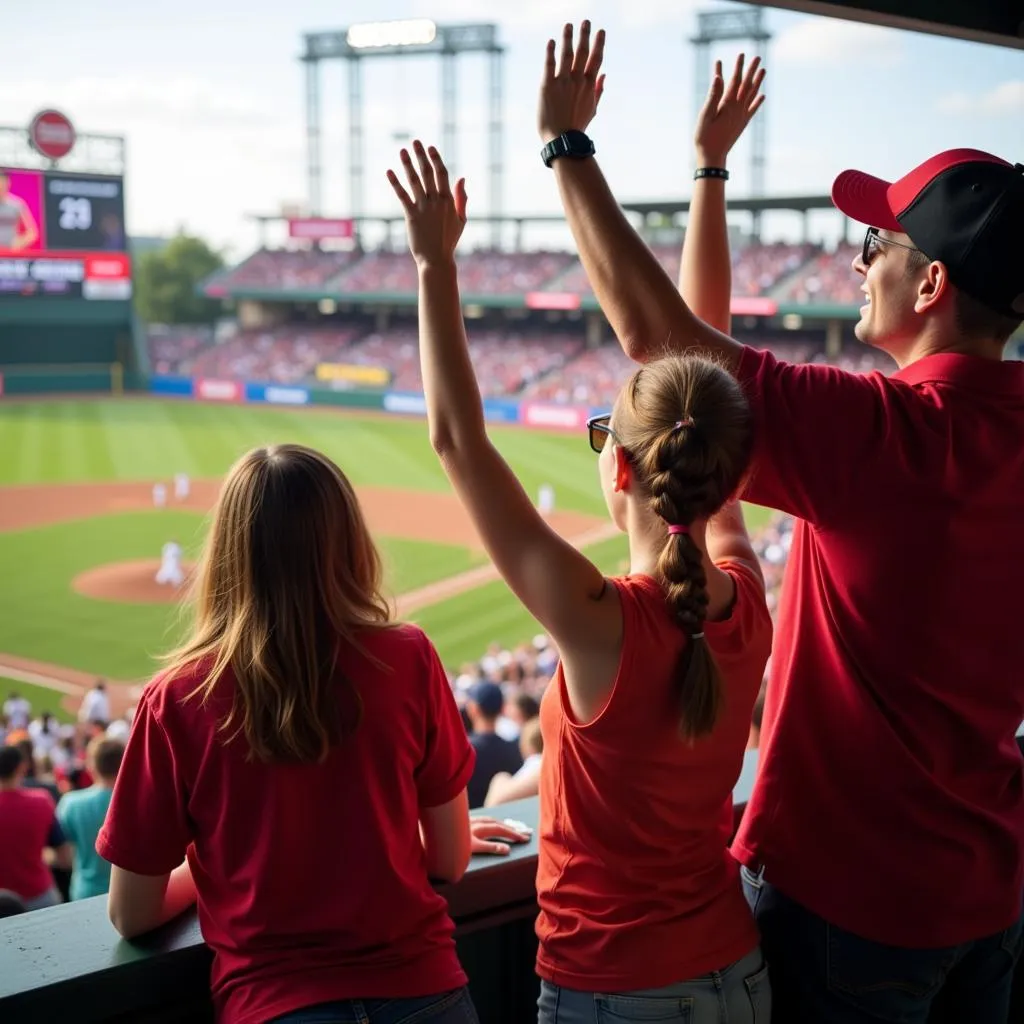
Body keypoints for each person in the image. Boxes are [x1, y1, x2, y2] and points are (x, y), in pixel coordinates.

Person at [537, 21, 1024, 1022]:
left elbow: (660, 348)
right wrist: (711, 170)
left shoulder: (890, 433)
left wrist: (568, 152)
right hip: (991, 888)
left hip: (853, 902)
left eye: (873, 245)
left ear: (929, 282)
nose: (856, 265)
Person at [387, 134, 772, 1023]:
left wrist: (433, 264)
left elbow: (455, 441)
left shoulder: (603, 623)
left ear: (625, 471)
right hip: (739, 969)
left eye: (604, 433)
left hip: (614, 991)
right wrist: (709, 172)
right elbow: (706, 370)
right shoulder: (746, 596)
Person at [97, 444, 527, 1024]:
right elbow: (448, 860)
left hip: (272, 1005)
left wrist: (221, 869)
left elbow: (131, 912)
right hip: (427, 995)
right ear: (348, 540)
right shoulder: (409, 657)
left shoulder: (176, 698)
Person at [0, 744, 70, 910]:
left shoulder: (40, 801)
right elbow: (65, 857)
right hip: (39, 897)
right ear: (21, 767)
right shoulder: (41, 801)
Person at [56, 736, 125, 900]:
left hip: (86, 892)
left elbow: (63, 856)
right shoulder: (139, 800)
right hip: (130, 892)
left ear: (91, 765)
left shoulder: (71, 803)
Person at [463, 680, 523, 809]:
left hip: (473, 822)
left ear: (473, 709)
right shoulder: (515, 748)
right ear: (502, 708)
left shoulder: (463, 751)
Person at [0, 171, 39, 251]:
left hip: (11, 253)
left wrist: (19, 243)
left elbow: (32, 232)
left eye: (3, 184)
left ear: (8, 183)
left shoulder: (17, 204)